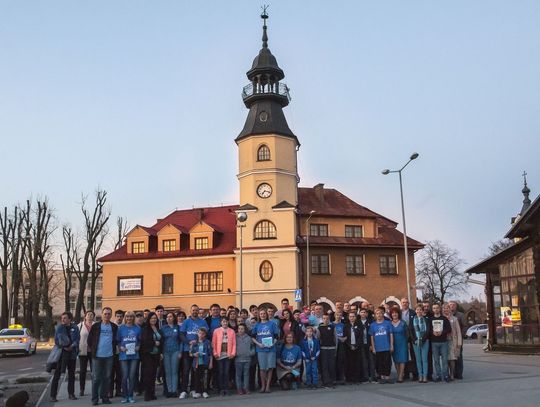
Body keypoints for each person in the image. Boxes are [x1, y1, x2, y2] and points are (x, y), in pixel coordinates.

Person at [88, 307, 118, 406]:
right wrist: (93, 350)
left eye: (109, 314)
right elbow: (90, 340)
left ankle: (105, 397)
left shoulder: (114, 327)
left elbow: (116, 340)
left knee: (107, 377)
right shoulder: (96, 326)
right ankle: (95, 399)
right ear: (102, 314)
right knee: (96, 378)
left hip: (109, 356)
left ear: (111, 315)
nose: (107, 315)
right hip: (97, 356)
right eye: (105, 314)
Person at [179, 304, 209, 399]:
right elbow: (181, 334)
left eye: (196, 310)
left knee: (195, 371)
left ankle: (193, 389)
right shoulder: (186, 322)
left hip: (199, 350)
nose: (195, 312)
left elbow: (206, 334)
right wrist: (188, 342)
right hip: (187, 350)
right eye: (193, 310)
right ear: (190, 311)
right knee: (186, 370)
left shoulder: (203, 322)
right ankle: (184, 390)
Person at [50, 312, 80, 402]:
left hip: (72, 354)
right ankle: (53, 395)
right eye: (62, 318)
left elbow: (77, 339)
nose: (63, 320)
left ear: (70, 319)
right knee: (57, 375)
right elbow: (56, 341)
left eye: (65, 318)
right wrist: (64, 346)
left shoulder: (75, 327)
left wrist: (72, 346)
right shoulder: (59, 328)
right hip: (61, 354)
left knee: (71, 375)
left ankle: (71, 394)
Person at [251, 307, 280, 393]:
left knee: (270, 367)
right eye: (261, 314)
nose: (262, 315)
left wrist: (273, 343)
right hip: (261, 349)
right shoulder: (257, 325)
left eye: (264, 314)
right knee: (262, 368)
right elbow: (252, 337)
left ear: (266, 315)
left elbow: (276, 336)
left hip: (271, 348)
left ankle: (268, 386)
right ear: (259, 316)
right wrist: (258, 344)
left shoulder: (272, 324)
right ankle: (263, 386)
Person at [117, 311, 141, 403]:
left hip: (134, 355)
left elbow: (139, 340)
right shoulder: (121, 328)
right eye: (127, 317)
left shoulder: (138, 328)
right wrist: (120, 347)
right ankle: (124, 396)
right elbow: (118, 341)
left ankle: (130, 396)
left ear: (133, 318)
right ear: (125, 318)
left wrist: (138, 346)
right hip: (123, 355)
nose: (129, 318)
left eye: (131, 317)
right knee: (125, 376)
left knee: (132, 376)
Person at [369, 307, 394, 384]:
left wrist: (391, 345)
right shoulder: (373, 325)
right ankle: (382, 377)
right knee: (379, 363)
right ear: (375, 315)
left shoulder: (388, 323)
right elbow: (372, 337)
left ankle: (387, 377)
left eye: (380, 313)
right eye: (377, 314)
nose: (379, 315)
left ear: (383, 314)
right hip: (378, 347)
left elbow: (391, 334)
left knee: (387, 362)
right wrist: (373, 347)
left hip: (386, 346)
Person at [212, 317, 237, 396]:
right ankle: (221, 389)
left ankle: (226, 388)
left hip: (228, 355)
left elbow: (234, 344)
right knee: (220, 372)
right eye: (223, 321)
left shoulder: (231, 331)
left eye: (226, 321)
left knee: (226, 372)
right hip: (219, 355)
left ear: (228, 322)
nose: (225, 323)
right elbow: (214, 343)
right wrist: (215, 353)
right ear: (221, 322)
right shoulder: (216, 331)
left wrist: (233, 353)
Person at [140, 312, 161, 401]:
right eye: (152, 318)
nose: (153, 320)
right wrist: (154, 343)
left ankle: (152, 393)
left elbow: (160, 340)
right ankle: (147, 394)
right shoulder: (145, 329)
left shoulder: (157, 328)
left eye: (155, 318)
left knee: (153, 375)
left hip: (156, 354)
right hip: (147, 354)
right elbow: (144, 342)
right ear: (148, 319)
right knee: (148, 375)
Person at [161, 311, 182, 397]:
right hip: (165, 351)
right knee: (168, 372)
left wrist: (180, 351)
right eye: (167, 317)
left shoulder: (178, 327)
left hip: (175, 351)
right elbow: (161, 340)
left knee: (174, 371)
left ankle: (174, 390)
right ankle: (169, 390)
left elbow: (181, 340)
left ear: (174, 318)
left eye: (171, 316)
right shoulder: (163, 328)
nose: (169, 318)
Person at [430, 303, 451, 382]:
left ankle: (445, 375)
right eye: (434, 308)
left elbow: (449, 329)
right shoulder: (431, 319)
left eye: (437, 308)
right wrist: (433, 332)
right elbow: (429, 330)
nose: (436, 309)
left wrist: (442, 332)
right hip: (434, 342)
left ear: (439, 309)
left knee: (445, 359)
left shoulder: (444, 319)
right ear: (433, 310)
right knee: (436, 360)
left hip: (443, 342)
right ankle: (438, 375)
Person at [189, 327, 213, 399]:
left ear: (205, 334)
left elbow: (210, 354)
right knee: (197, 378)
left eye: (203, 334)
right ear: (197, 334)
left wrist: (211, 363)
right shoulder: (194, 342)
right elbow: (190, 353)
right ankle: (198, 392)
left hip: (205, 363)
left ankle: (205, 391)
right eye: (199, 333)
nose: (201, 335)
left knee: (205, 377)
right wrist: (194, 354)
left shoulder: (207, 342)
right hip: (196, 363)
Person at [410, 303, 431, 383]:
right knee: (418, 360)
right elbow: (411, 330)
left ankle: (425, 376)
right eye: (417, 309)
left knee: (424, 359)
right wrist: (415, 339)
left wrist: (423, 339)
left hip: (425, 341)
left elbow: (428, 330)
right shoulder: (413, 320)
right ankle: (420, 376)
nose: (419, 311)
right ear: (415, 311)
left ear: (423, 311)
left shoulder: (426, 319)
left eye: (420, 310)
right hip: (416, 342)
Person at [390, 306, 409, 383]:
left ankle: (401, 376)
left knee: (402, 359)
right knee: (396, 360)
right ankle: (399, 374)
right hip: (393, 343)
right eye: (393, 313)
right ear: (391, 314)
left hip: (402, 343)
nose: (394, 314)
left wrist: (407, 343)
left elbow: (407, 334)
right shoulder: (389, 324)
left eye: (396, 313)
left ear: (399, 314)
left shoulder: (403, 323)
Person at [443, 303, 462, 381]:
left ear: (450, 309)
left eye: (447, 308)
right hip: (443, 341)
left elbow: (458, 332)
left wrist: (459, 343)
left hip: (452, 341)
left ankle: (452, 374)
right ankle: (446, 374)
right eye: (444, 308)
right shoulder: (441, 319)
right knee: (445, 359)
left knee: (452, 358)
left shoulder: (454, 319)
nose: (446, 309)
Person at [78, 310, 94, 397]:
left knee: (94, 371)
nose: (90, 316)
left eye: (92, 315)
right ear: (85, 316)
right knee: (82, 371)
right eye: (88, 314)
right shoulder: (80, 326)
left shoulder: (96, 325)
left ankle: (94, 388)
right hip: (83, 352)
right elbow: (76, 338)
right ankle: (82, 389)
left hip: (93, 352)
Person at [400, 297, 418, 381]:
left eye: (406, 302)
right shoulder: (398, 313)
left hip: (412, 337)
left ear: (408, 303)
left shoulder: (413, 313)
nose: (404, 304)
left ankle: (415, 374)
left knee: (413, 355)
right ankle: (406, 373)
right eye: (403, 302)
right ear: (401, 303)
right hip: (402, 338)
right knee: (404, 356)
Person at [235, 323, 255, 394]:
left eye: (242, 329)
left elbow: (253, 347)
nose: (240, 330)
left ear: (245, 329)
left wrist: (251, 353)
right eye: (239, 329)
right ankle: (239, 389)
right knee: (238, 375)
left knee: (246, 374)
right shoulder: (235, 337)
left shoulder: (249, 338)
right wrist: (235, 353)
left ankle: (246, 388)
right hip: (238, 359)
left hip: (247, 359)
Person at [344, 311, 363, 384]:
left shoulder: (359, 325)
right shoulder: (346, 326)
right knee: (349, 363)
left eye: (353, 316)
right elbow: (346, 337)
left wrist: (356, 346)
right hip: (348, 347)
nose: (352, 318)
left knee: (357, 363)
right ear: (348, 318)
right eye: (350, 316)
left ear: (355, 317)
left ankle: (357, 378)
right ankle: (350, 378)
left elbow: (360, 337)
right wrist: (350, 346)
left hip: (357, 347)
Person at [318, 314, 336, 387]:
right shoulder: (319, 328)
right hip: (323, 349)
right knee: (324, 366)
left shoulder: (332, 327)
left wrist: (335, 348)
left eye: (327, 318)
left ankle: (332, 381)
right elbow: (318, 338)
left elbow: (335, 338)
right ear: (322, 319)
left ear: (329, 319)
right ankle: (325, 381)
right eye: (324, 318)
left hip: (331, 348)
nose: (326, 320)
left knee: (331, 365)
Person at [110, 309, 125, 398]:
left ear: (123, 317)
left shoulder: (124, 327)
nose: (119, 318)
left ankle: (118, 390)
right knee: (111, 373)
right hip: (112, 353)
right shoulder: (111, 326)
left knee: (120, 373)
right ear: (115, 317)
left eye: (120, 316)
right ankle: (110, 391)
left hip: (121, 353)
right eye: (117, 316)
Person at [448, 300, 465, 379]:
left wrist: (461, 336)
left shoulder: (460, 315)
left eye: (453, 305)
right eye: (450, 305)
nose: (452, 306)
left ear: (456, 306)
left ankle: (459, 373)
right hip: (449, 340)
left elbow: (464, 326)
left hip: (458, 339)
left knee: (458, 356)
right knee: (450, 357)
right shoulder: (446, 315)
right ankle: (452, 373)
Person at [359, 309, 376, 382]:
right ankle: (365, 377)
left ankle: (373, 377)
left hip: (369, 344)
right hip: (361, 345)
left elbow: (372, 334)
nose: (363, 314)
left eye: (364, 312)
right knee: (364, 362)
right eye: (361, 312)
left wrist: (372, 345)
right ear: (359, 313)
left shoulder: (371, 322)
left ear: (366, 314)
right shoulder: (357, 322)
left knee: (371, 361)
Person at [333, 311, 347, 384]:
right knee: (334, 360)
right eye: (337, 315)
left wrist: (345, 338)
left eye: (340, 315)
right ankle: (335, 377)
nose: (338, 316)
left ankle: (341, 377)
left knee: (341, 361)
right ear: (335, 316)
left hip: (342, 345)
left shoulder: (343, 325)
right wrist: (338, 338)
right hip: (335, 344)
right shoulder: (332, 324)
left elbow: (346, 333)